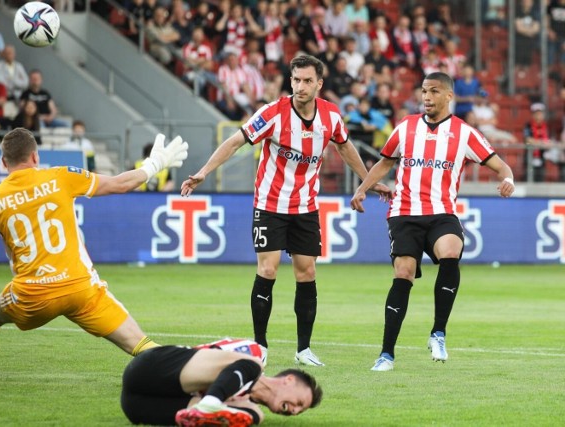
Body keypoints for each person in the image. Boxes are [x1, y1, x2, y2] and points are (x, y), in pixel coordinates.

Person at [0, 128, 189, 385]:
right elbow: (120, 184)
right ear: (35, 157)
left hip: (31, 297)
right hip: (80, 289)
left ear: (4, 162)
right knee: (140, 344)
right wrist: (155, 164)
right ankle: (197, 371)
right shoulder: (61, 177)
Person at [181, 55, 391, 367]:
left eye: (307, 81)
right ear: (290, 81)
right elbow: (235, 142)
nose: (301, 86)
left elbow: (345, 147)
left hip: (306, 206)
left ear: (319, 84)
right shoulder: (273, 113)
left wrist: (369, 181)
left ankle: (304, 348)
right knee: (267, 269)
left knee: (307, 272)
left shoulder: (331, 117)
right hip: (269, 204)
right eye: (296, 80)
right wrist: (204, 171)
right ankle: (261, 345)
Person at [350, 72, 516, 372]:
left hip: (442, 212)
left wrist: (509, 179)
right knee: (404, 271)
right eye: (424, 91)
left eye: (434, 91)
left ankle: (438, 333)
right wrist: (363, 188)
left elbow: (498, 163)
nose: (426, 97)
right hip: (404, 212)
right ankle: (386, 354)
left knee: (451, 251)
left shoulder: (464, 133)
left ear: (449, 96)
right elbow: (385, 161)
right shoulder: (405, 127)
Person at [121, 337, 322, 426]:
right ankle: (210, 404)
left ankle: (207, 409)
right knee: (253, 364)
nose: (294, 411)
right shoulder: (253, 354)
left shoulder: (247, 406)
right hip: (151, 369)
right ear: (288, 380)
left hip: (137, 406)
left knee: (255, 415)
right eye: (300, 403)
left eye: (299, 412)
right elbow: (206, 356)